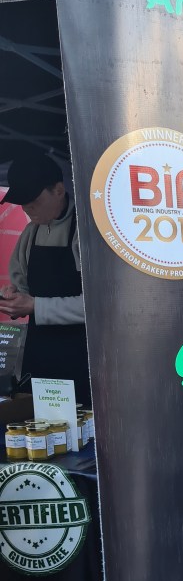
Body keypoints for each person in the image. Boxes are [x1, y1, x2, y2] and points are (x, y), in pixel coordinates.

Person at [0, 149, 91, 404]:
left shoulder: (86, 232)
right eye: (23, 202)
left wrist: (36, 306)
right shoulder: (31, 233)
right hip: (39, 359)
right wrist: (14, 298)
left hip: (81, 360)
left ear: (59, 190)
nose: (27, 208)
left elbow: (99, 308)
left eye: (33, 200)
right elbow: (22, 286)